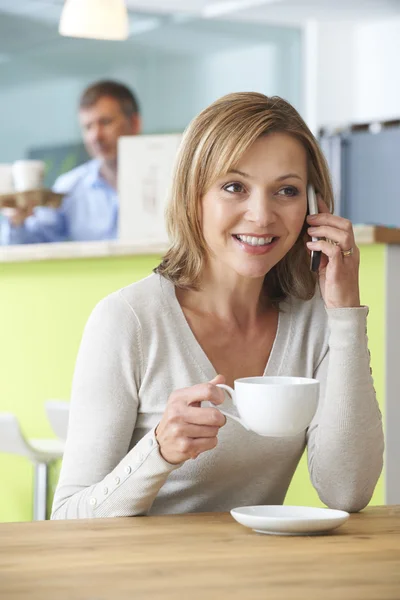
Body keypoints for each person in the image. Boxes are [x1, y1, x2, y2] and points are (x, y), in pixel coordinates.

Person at [51, 92, 384, 520]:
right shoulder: (127, 321)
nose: (262, 216)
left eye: (287, 190)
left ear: (313, 208)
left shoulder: (315, 320)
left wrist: (344, 315)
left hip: (253, 579)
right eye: (234, 187)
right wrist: (158, 452)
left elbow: (347, 491)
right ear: (194, 197)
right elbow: (66, 517)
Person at [4, 80, 141, 244]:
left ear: (134, 124)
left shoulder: (170, 181)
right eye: (88, 127)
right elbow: (33, 242)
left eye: (105, 122)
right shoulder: (69, 188)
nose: (96, 136)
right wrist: (17, 222)